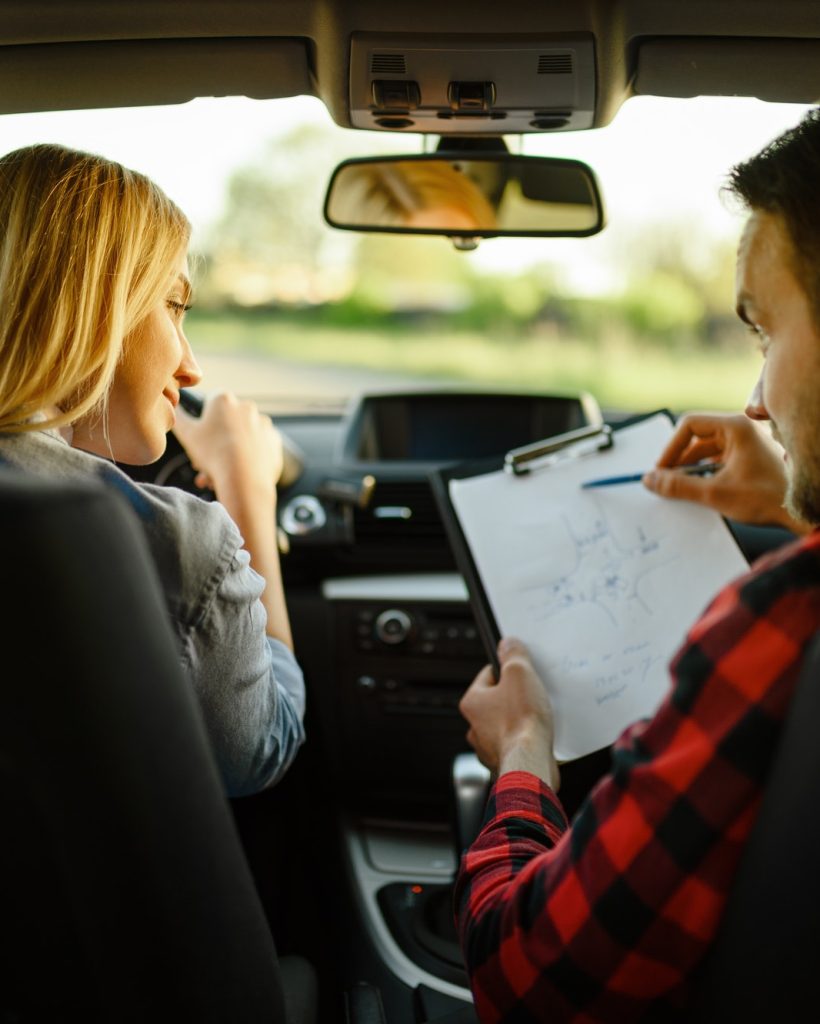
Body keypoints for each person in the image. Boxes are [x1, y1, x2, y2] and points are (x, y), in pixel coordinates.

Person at [454, 106, 820, 1022]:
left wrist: (524, 761)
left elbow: (524, 976)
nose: (756, 401)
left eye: (766, 333)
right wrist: (786, 502)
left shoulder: (785, 620)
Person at [0, 143, 305, 798]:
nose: (191, 368)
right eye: (173, 305)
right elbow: (260, 752)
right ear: (88, 307)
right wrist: (247, 494)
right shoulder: (177, 541)